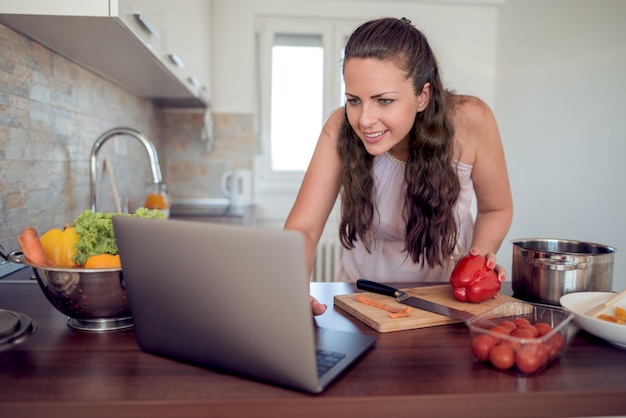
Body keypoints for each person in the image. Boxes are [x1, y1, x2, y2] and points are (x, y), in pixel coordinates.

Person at [284, 17, 513, 315]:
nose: (364, 119)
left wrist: (478, 261)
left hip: (442, 303)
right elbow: (304, 228)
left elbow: (496, 209)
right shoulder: (339, 127)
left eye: (384, 101)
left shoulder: (472, 121)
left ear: (422, 96)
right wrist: (291, 289)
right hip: (360, 300)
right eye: (354, 100)